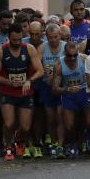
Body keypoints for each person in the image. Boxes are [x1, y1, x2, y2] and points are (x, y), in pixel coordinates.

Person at [0, 23, 44, 161]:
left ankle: (19, 140)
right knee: (9, 123)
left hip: (25, 91)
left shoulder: (29, 49)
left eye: (19, 40)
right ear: (8, 38)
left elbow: (40, 70)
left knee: (25, 127)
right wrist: (8, 82)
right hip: (7, 91)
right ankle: (8, 147)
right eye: (14, 40)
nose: (17, 42)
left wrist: (29, 80)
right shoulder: (1, 51)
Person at [51, 41, 90, 159]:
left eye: (75, 55)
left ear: (78, 53)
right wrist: (68, 89)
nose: (72, 58)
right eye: (69, 56)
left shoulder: (85, 59)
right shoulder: (59, 64)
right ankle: (73, 145)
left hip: (84, 92)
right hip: (68, 94)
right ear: (65, 54)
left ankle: (89, 139)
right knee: (69, 124)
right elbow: (54, 89)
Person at [35, 23, 66, 157]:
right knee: (50, 117)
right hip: (47, 86)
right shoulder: (42, 48)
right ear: (46, 37)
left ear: (60, 36)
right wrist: (43, 70)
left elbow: (74, 64)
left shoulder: (65, 46)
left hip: (61, 86)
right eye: (50, 37)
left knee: (60, 116)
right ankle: (53, 142)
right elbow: (35, 66)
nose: (53, 40)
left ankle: (60, 144)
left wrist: (59, 71)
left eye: (56, 37)